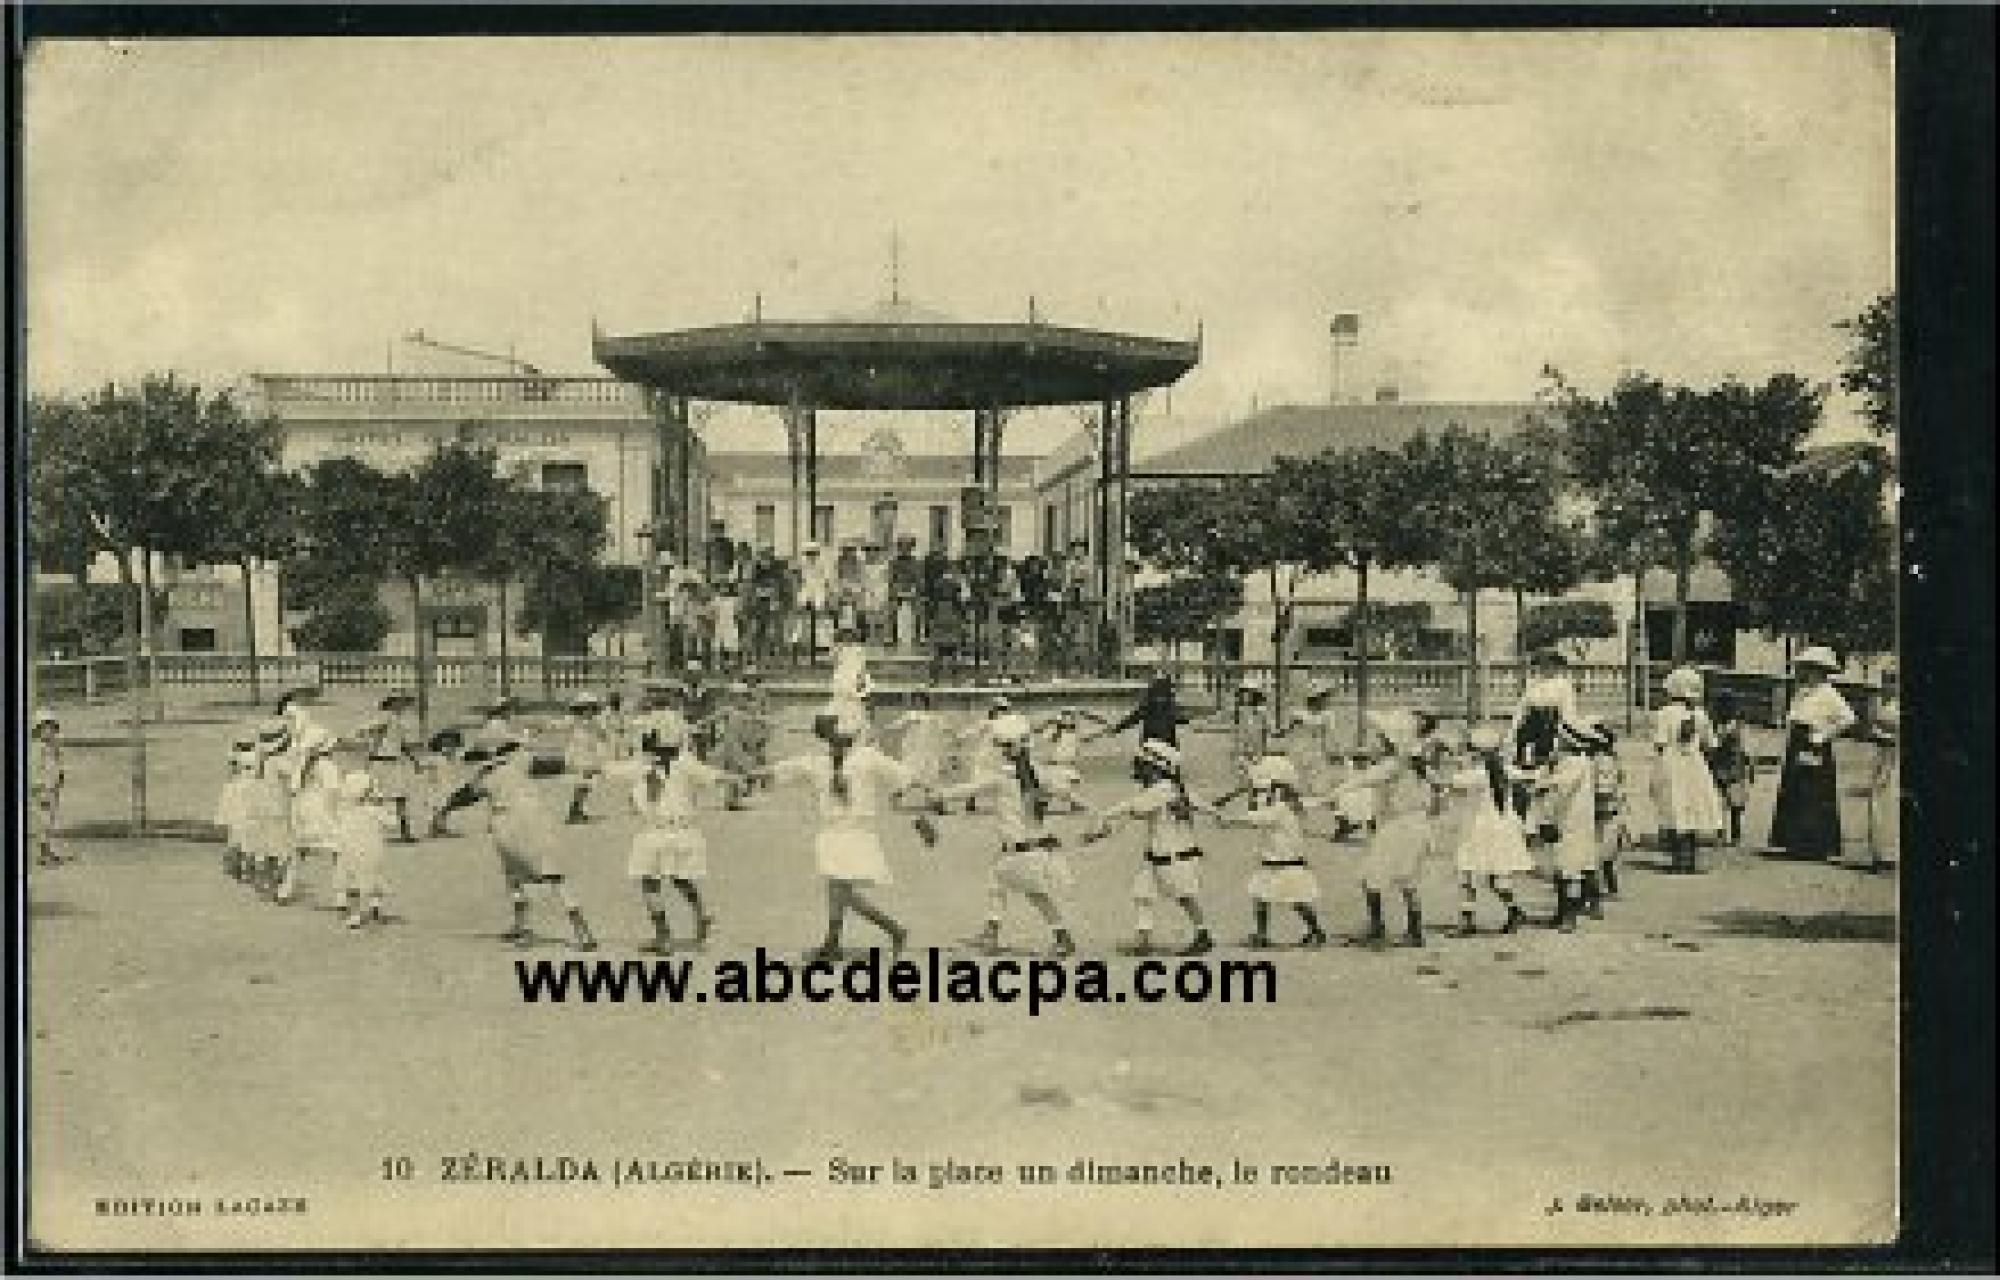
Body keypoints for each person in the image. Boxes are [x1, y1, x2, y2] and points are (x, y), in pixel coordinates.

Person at [761, 706, 920, 960]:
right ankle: (836, 942)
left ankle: (892, 930)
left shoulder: (868, 757)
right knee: (837, 891)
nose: (832, 739)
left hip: (857, 832)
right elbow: (782, 770)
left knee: (840, 892)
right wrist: (745, 775)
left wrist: (920, 815)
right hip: (831, 833)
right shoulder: (817, 762)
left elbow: (905, 778)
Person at [436, 727, 600, 951]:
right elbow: (556, 764)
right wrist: (583, 765)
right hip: (536, 820)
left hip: (505, 825)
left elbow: (462, 797)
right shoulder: (520, 763)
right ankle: (581, 929)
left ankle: (522, 927)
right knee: (554, 875)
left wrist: (444, 810)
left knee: (513, 875)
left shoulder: (485, 776)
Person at [929, 713, 1077, 957]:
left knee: (1031, 893)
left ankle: (1061, 939)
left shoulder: (1004, 778)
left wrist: (939, 794)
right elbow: (1064, 789)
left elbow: (970, 788)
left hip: (1020, 850)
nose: (998, 750)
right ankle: (993, 932)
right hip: (1034, 848)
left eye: (1001, 746)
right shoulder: (1038, 773)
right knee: (999, 883)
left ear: (1008, 749)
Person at [607, 727, 742, 953]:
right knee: (682, 879)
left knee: (649, 883)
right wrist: (741, 777)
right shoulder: (686, 764)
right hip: (685, 833)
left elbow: (606, 770)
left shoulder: (639, 767)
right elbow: (717, 777)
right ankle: (701, 916)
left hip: (654, 833)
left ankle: (664, 936)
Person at [1084, 738, 1214, 957]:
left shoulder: (1163, 790)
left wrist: (1105, 816)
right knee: (1142, 892)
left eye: (1142, 763)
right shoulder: (1168, 788)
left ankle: (1203, 935)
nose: (1138, 767)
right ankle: (1144, 939)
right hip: (1157, 856)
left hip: (1170, 856)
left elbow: (1135, 807)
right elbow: (1139, 808)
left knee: (1184, 897)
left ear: (1155, 768)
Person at [1327, 710, 1438, 949]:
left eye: (1381, 737)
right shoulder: (1413, 761)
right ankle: (1414, 930)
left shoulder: (1393, 765)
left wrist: (1331, 794)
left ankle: (1379, 927)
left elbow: (1363, 780)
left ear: (1390, 740)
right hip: (1414, 824)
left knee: (1371, 877)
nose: (1377, 741)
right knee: (1407, 879)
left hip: (1398, 827)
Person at [1211, 755, 1329, 949]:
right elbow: (1257, 810)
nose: (1264, 793)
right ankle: (1262, 934)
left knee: (1297, 900)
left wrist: (1230, 819)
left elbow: (1257, 818)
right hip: (1273, 860)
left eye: (1270, 789)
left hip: (1286, 862)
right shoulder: (1284, 805)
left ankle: (1316, 931)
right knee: (1260, 896)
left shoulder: (1281, 809)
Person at [1768, 647, 1856, 862]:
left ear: (1822, 671)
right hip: (1797, 741)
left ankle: (1815, 845)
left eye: (1812, 669)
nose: (1807, 673)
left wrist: (1823, 735)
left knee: (1813, 792)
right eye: (1805, 668)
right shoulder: (1802, 692)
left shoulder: (1829, 693)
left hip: (1814, 743)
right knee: (1795, 789)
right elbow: (1794, 717)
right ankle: (1793, 842)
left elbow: (1848, 718)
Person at [1448, 724, 1533, 936]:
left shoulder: (1475, 775)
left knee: (1466, 874)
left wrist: (1452, 766)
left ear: (1477, 752)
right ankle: (1514, 911)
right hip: (1501, 829)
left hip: (1478, 829)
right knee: (1497, 877)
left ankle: (1467, 921)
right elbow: (1527, 777)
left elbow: (1449, 783)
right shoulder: (1504, 770)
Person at [1653, 667, 1727, 874]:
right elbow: (1711, 744)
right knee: (1693, 806)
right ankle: (1690, 858)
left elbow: (1659, 742)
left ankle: (1678, 858)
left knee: (1675, 805)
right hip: (1694, 764)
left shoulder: (1664, 714)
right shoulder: (1700, 715)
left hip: (1671, 763)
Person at [1537, 719, 1607, 930]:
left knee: (1571, 868)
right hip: (1567, 819)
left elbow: (1560, 785)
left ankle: (1570, 914)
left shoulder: (1577, 763)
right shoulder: (1567, 761)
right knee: (1564, 867)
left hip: (1573, 821)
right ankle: (1563, 911)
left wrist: (1538, 782)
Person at [1508, 650, 1581, 833]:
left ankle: (1545, 820)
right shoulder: (1532, 683)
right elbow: (1521, 709)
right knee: (1523, 772)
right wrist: (1512, 733)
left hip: (1549, 731)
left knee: (1546, 774)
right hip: (1529, 731)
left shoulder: (1563, 685)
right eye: (1541, 665)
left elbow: (1568, 714)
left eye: (1549, 665)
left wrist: (1564, 737)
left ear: (1557, 667)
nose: (1544, 669)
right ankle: (1522, 819)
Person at [283, 724, 345, 906]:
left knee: (299, 851)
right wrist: (339, 812)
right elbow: (334, 792)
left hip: (304, 809)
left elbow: (293, 789)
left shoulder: (303, 766)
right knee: (338, 851)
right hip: (323, 810)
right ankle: (340, 896)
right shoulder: (328, 766)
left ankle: (286, 889)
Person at [1087, 671, 1185, 778]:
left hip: (1150, 740)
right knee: (1172, 749)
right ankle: (1165, 768)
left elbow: (1133, 718)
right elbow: (1181, 718)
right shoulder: (1171, 705)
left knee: (1143, 757)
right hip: (1166, 742)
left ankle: (1143, 768)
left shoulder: (1148, 704)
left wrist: (1118, 728)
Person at [332, 771, 396, 931]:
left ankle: (357, 914)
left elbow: (339, 832)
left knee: (353, 883)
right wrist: (385, 806)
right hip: (371, 851)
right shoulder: (374, 810)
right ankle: (375, 906)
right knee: (372, 878)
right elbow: (392, 823)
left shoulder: (345, 812)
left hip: (350, 852)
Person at [361, 692, 423, 842]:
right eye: (400, 702)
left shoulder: (398, 721)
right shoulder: (386, 716)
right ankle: (370, 831)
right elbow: (371, 732)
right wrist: (370, 755)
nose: (403, 705)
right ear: (392, 703)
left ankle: (404, 832)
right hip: (380, 761)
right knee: (378, 796)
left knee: (399, 796)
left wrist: (414, 761)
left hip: (393, 761)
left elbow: (403, 745)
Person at [1705, 691, 1756, 848]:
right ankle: (1725, 834)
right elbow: (1748, 750)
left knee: (1731, 802)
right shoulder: (1731, 726)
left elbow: (1747, 750)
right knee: (1726, 802)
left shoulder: (1733, 726)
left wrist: (1749, 766)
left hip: (1731, 766)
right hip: (1727, 766)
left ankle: (1729, 834)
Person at [887, 690, 949, 808]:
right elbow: (899, 725)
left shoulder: (933, 717)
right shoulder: (912, 715)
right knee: (909, 778)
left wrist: (950, 737)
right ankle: (895, 798)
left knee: (931, 779)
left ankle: (937, 804)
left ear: (923, 701)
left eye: (918, 700)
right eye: (914, 700)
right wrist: (889, 729)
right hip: (914, 753)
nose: (916, 703)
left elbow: (943, 730)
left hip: (928, 752)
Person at [1864, 681, 1899, 871]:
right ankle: (1879, 852)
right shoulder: (1884, 705)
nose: (1889, 686)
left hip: (1892, 757)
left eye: (1893, 681)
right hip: (1881, 756)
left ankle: (1889, 854)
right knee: (1878, 803)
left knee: (1889, 802)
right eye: (1887, 680)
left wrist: (1885, 736)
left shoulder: (1895, 708)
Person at [562, 692, 611, 824]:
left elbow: (603, 736)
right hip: (580, 756)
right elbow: (567, 734)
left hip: (589, 756)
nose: (589, 710)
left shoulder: (593, 723)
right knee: (581, 784)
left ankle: (578, 809)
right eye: (586, 707)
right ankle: (574, 811)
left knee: (587, 785)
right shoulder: (575, 722)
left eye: (591, 707)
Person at [215, 733, 258, 880]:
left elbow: (231, 775)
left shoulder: (235, 758)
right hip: (248, 792)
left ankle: (236, 864)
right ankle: (243, 866)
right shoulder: (255, 757)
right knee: (245, 830)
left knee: (237, 830)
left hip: (239, 792)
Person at [29, 709, 68, 868]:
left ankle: (48, 851)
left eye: (51, 728)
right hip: (42, 789)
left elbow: (56, 765)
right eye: (44, 728)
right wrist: (40, 787)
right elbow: (35, 770)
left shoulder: (53, 747)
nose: (49, 731)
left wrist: (60, 776)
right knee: (43, 822)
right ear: (38, 730)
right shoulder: (37, 748)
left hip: (52, 788)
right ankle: (43, 854)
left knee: (50, 821)